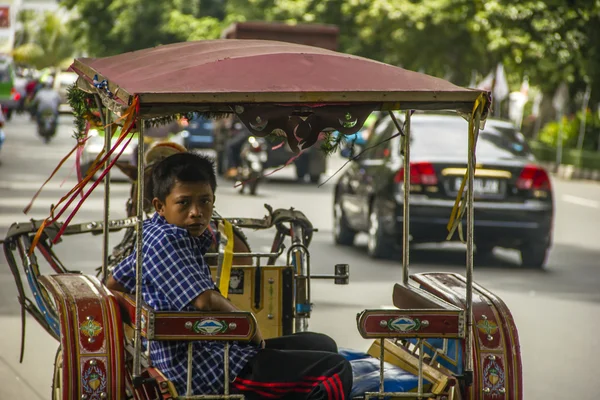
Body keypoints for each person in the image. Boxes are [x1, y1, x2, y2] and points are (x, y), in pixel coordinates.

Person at [107, 152, 352, 399]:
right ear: (160, 205)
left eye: (205, 201)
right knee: (336, 369)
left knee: (322, 344)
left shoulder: (152, 232)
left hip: (212, 351)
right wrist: (250, 326)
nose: (196, 212)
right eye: (184, 203)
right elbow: (206, 301)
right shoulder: (170, 241)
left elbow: (113, 282)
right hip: (205, 372)